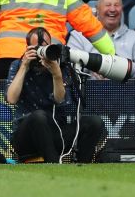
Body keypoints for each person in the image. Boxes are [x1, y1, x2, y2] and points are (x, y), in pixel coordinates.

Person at [6, 27, 106, 163]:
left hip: (55, 131)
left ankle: (83, 166)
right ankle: (53, 164)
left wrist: (56, 74)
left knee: (95, 122)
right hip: (26, 137)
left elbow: (60, 100)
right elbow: (11, 99)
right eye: (36, 48)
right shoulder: (18, 65)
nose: (41, 51)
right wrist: (24, 66)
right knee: (39, 116)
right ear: (28, 47)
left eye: (45, 47)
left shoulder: (61, 66)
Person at [69, 0, 135, 79]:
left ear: (122, 9)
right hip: (88, 90)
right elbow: (68, 67)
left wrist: (124, 69)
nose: (112, 9)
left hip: (126, 91)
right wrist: (95, 68)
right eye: (108, 5)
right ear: (97, 9)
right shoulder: (79, 36)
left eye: (116, 5)